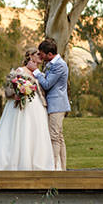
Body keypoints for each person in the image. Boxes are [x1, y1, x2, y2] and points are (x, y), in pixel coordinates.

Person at [0, 47, 54, 171]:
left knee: (35, 132)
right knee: (20, 131)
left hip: (36, 106)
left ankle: (36, 163)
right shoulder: (20, 71)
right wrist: (19, 92)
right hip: (22, 106)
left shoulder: (39, 73)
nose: (40, 56)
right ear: (30, 56)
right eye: (37, 54)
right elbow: (10, 87)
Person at [27, 37, 70, 170]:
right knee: (59, 137)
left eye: (42, 54)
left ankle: (53, 167)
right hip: (54, 104)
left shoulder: (59, 65)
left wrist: (35, 71)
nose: (41, 57)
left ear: (50, 54)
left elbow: (46, 84)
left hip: (57, 105)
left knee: (54, 136)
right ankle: (61, 168)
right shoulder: (52, 63)